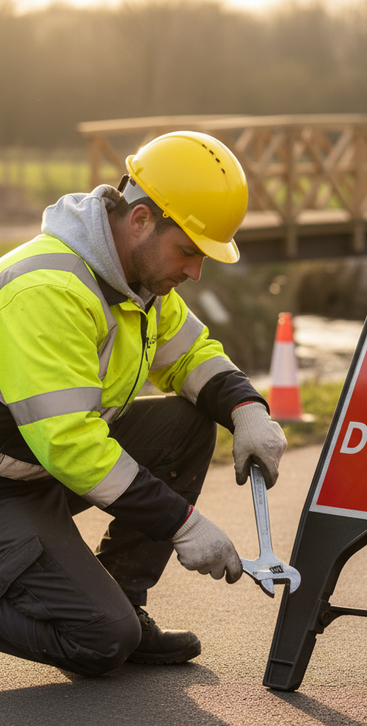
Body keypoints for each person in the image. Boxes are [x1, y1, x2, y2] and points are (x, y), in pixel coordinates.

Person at [0, 130, 287, 675]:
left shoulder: (138, 283)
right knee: (102, 639)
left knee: (188, 422)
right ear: (140, 220)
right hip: (13, 481)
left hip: (34, 469)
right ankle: (115, 623)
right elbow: (71, 445)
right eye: (188, 251)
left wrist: (247, 409)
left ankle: (125, 598)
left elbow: (191, 355)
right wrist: (184, 524)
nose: (195, 272)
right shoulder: (49, 290)